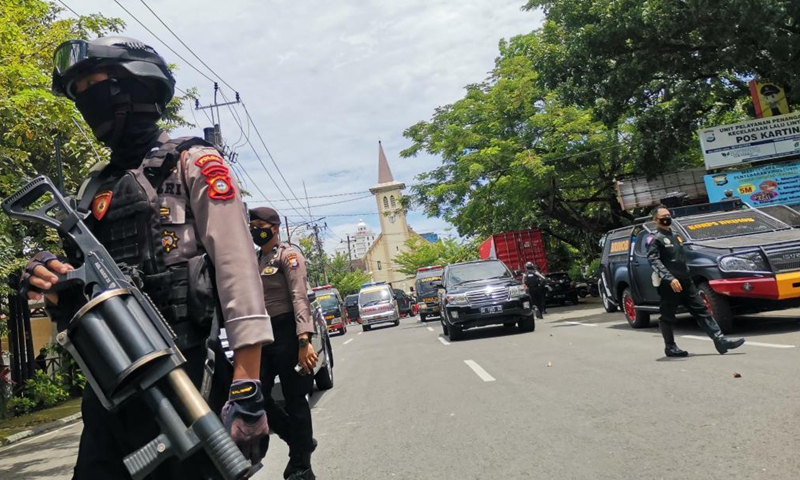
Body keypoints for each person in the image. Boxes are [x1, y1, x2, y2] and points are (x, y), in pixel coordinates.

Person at [21, 36, 273, 479]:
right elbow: (80, 290)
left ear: (134, 87)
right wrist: (49, 276)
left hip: (187, 375)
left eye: (92, 84)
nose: (84, 100)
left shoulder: (193, 163)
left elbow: (237, 271)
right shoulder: (91, 188)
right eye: (76, 91)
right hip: (110, 385)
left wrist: (248, 384)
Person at [249, 207, 318, 480]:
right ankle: (298, 440)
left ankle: (300, 463)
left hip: (288, 332)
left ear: (274, 227)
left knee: (295, 399)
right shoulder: (255, 258)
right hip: (263, 335)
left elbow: (299, 296)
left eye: (260, 225)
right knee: (257, 395)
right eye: (252, 225)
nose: (255, 229)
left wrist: (304, 339)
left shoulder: (289, 256)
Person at [647, 206, 745, 357]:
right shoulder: (655, 238)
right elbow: (654, 260)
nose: (667, 218)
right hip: (670, 284)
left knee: (702, 310)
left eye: (668, 214)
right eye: (663, 216)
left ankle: (720, 340)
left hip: (686, 281)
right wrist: (669, 278)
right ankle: (670, 347)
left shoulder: (676, 235)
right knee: (668, 315)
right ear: (655, 220)